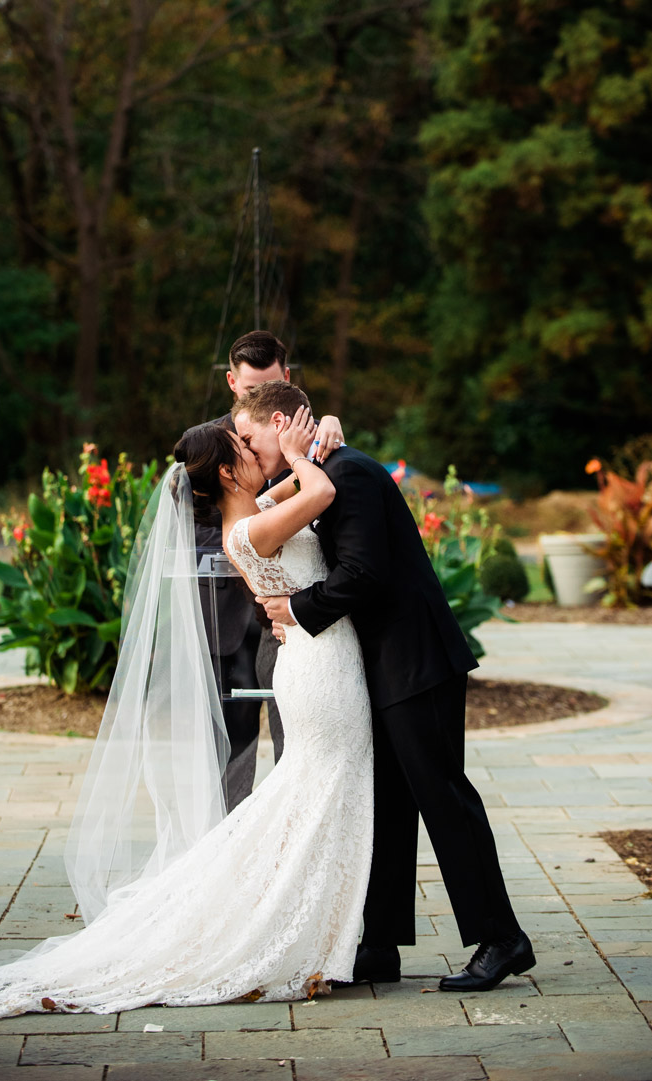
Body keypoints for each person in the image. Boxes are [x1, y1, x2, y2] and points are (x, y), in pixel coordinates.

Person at [0, 409, 373, 1017]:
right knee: (315, 793)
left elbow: (298, 486)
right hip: (319, 673)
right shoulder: (249, 532)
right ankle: (286, 926)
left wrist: (322, 432)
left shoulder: (253, 514)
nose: (254, 451)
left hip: (319, 663)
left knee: (315, 795)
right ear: (234, 473)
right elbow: (319, 488)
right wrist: (298, 456)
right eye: (244, 446)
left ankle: (310, 926)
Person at [234, 380, 535, 994]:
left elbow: (364, 574)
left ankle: (501, 938)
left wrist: (296, 608)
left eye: (249, 435)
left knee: (444, 799)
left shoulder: (355, 474)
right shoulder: (319, 470)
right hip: (379, 666)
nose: (246, 447)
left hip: (416, 661)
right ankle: (379, 944)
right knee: (388, 805)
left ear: (284, 422)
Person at [196, 330, 344, 808]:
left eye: (269, 384)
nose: (258, 396)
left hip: (302, 620)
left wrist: (325, 428)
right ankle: (230, 837)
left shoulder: (309, 433)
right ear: (231, 383)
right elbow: (206, 530)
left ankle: (285, 824)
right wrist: (264, 583)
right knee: (231, 744)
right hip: (235, 615)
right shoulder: (216, 447)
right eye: (249, 387)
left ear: (285, 377)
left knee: (296, 744)